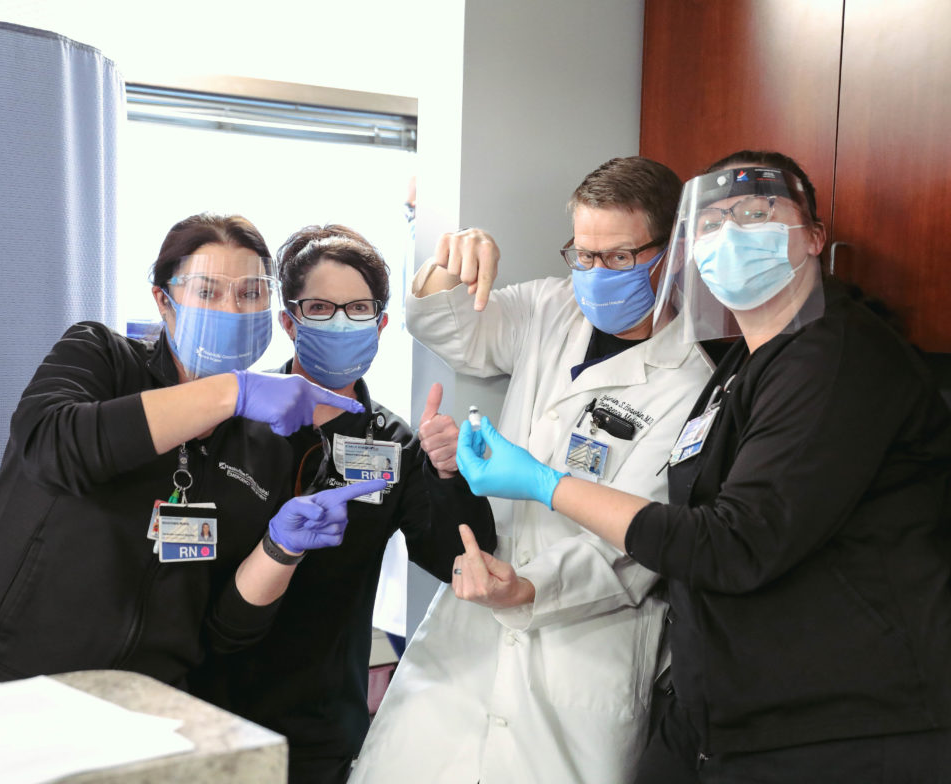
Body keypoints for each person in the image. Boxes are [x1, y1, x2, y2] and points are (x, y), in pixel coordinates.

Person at [455, 152, 951, 782]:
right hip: (728, 710)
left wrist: (547, 485)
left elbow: (733, 543)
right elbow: (690, 521)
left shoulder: (835, 356)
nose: (733, 235)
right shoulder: (742, 366)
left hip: (842, 723)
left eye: (758, 212)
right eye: (712, 223)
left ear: (815, 239)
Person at [351, 157, 714, 783]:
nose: (597, 275)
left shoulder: (693, 382)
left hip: (582, 654)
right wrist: (454, 258)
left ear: (671, 252)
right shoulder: (551, 307)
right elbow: (444, 324)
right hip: (467, 646)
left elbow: (637, 543)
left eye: (620, 258)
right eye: (584, 254)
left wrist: (524, 588)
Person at [0, 213, 384, 688]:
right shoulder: (102, 358)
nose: (232, 309)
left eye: (250, 294)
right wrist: (232, 393)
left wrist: (280, 549)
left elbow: (224, 630)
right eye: (207, 291)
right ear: (164, 303)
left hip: (137, 708)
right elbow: (50, 448)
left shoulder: (266, 449)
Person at [189, 225, 496, 784]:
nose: (339, 321)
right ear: (288, 320)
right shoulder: (233, 415)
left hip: (321, 722)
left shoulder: (394, 443)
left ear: (380, 324)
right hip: (213, 704)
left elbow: (456, 559)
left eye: (357, 308)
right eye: (319, 307)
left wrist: (449, 473)